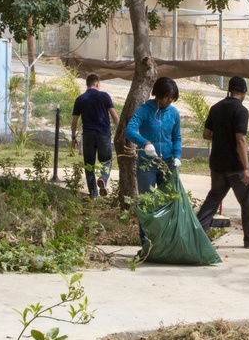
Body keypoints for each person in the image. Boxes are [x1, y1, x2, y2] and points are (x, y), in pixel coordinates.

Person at [195, 77, 249, 249]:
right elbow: (240, 139)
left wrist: (220, 137)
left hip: (218, 165)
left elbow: (206, 134)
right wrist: (246, 168)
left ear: (229, 91)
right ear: (243, 93)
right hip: (236, 166)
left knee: (213, 199)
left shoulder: (216, 108)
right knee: (247, 201)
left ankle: (195, 235)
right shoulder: (241, 111)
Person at [125, 76, 181, 246]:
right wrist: (145, 143)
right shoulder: (145, 110)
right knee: (147, 202)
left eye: (173, 97)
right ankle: (146, 241)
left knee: (167, 202)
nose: (170, 100)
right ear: (158, 94)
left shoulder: (173, 113)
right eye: (167, 96)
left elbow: (176, 137)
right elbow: (129, 130)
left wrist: (177, 155)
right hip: (147, 165)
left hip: (167, 164)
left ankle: (164, 240)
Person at [70, 74, 119, 198]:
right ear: (97, 84)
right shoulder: (104, 96)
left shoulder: (80, 99)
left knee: (89, 165)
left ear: (87, 84)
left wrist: (73, 137)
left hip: (87, 135)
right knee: (107, 161)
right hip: (103, 134)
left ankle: (93, 194)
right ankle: (103, 178)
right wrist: (121, 131)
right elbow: (114, 116)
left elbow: (74, 121)